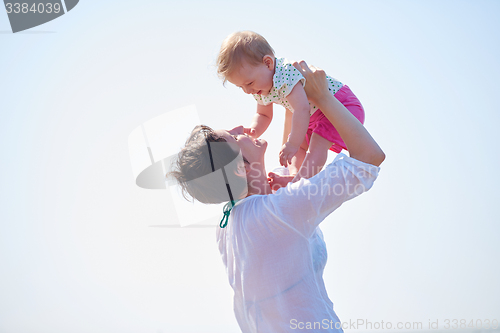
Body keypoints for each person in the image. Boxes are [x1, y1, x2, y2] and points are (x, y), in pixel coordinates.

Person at [169, 61, 385, 332]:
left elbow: (291, 163)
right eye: (234, 137)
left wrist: (290, 88)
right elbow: (369, 158)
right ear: (239, 167)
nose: (240, 128)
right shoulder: (279, 210)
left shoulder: (230, 225)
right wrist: (324, 97)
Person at [216, 31, 366, 191]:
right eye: (241, 87)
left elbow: (301, 109)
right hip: (314, 116)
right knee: (300, 145)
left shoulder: (285, 74)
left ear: (268, 63)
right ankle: (294, 175)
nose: (247, 90)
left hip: (340, 105)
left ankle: (301, 182)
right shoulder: (260, 87)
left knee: (316, 143)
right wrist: (255, 129)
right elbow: (263, 114)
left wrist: (291, 144)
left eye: (249, 83)